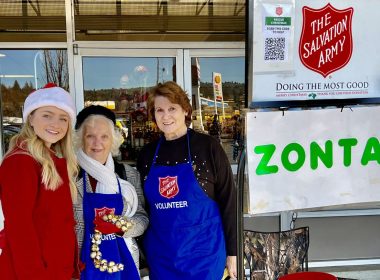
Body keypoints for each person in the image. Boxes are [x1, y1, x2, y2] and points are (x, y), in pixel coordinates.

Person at [137, 81, 237, 280]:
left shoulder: (208, 147)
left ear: (185, 110)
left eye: (172, 108)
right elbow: (142, 209)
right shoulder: (147, 155)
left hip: (205, 256)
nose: (166, 116)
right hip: (162, 258)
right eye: (159, 110)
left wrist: (233, 253)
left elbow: (229, 202)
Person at [0, 83, 79, 279]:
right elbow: (20, 230)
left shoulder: (49, 159)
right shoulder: (21, 161)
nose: (56, 124)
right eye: (47, 115)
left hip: (54, 268)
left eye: (63, 118)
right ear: (31, 119)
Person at [73, 105, 149, 279]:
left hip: (123, 264)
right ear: (81, 139)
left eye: (104, 136)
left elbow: (142, 219)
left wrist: (122, 226)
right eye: (90, 136)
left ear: (112, 140)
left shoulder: (128, 174)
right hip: (81, 267)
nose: (97, 143)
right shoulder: (69, 174)